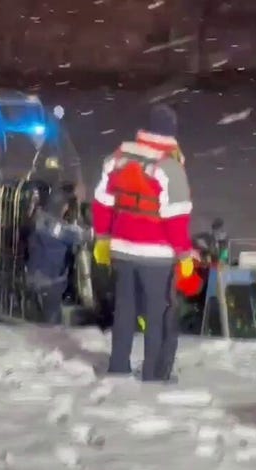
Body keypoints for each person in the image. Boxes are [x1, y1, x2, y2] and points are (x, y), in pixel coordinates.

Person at [91, 104, 194, 382]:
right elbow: (176, 218)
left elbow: (102, 203)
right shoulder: (170, 167)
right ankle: (152, 374)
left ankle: (118, 366)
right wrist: (184, 254)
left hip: (122, 249)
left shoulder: (118, 158)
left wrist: (102, 239)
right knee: (156, 314)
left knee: (124, 309)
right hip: (157, 255)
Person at [26, 188, 90, 324]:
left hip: (34, 276)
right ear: (63, 206)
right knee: (52, 322)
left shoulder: (40, 218)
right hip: (49, 280)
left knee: (37, 319)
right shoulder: (53, 227)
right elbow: (76, 236)